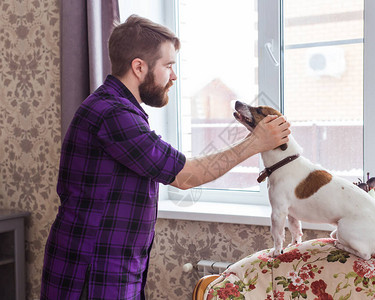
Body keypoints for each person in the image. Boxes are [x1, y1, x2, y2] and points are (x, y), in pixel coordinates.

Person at [40, 15, 290, 299]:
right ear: (138, 67)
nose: (173, 76)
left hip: (113, 264)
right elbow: (186, 175)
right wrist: (255, 143)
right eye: (169, 66)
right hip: (91, 269)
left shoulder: (120, 109)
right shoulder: (114, 114)